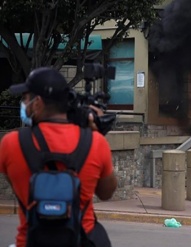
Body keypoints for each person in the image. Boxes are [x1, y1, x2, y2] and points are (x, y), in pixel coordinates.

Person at [0, 67, 118, 247]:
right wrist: (97, 134)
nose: (23, 104)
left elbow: (16, 186)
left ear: (37, 102)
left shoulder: (11, 144)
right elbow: (106, 193)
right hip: (81, 239)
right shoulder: (95, 142)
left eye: (25, 98)